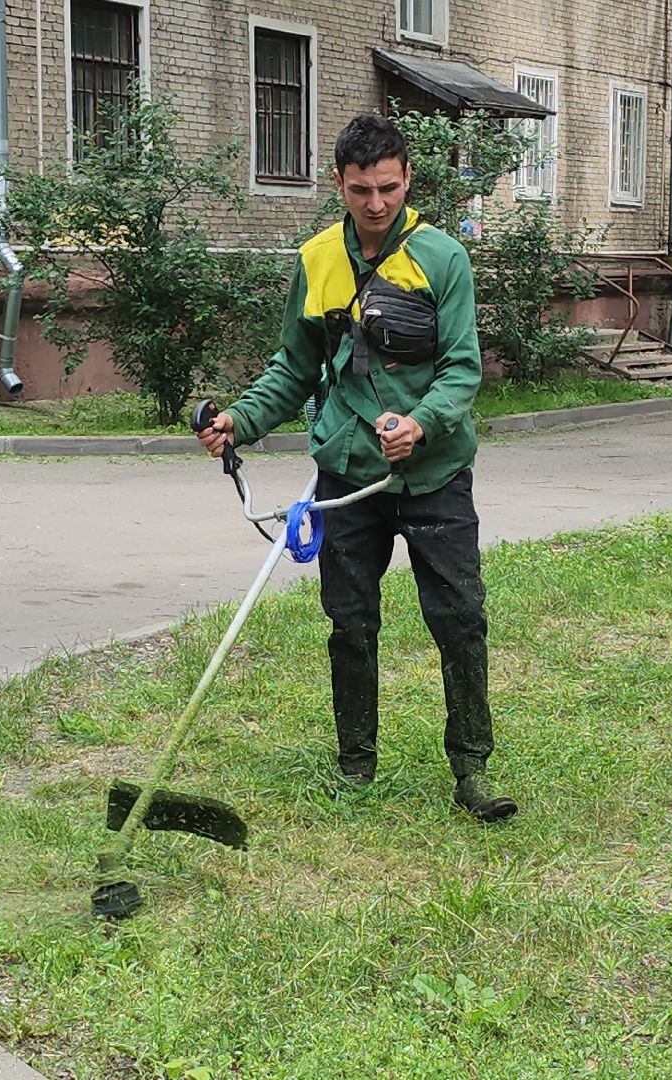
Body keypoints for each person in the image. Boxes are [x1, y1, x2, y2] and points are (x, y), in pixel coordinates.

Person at [196, 114, 515, 823]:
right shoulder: (316, 260)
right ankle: (355, 766)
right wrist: (239, 421)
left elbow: (462, 368)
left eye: (390, 188)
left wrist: (422, 422)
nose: (377, 204)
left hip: (432, 475)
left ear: (408, 181)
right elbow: (294, 367)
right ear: (338, 182)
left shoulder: (440, 259)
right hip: (347, 477)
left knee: (459, 620)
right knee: (350, 624)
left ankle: (472, 770)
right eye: (363, 189)